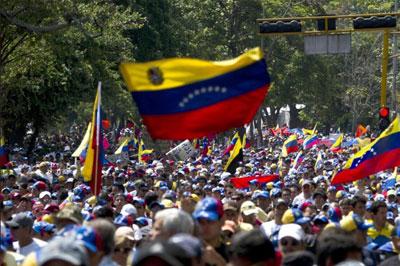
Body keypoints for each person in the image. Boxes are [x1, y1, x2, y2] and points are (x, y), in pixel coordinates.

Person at [192, 197, 228, 266]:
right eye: (201, 222)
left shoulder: (232, 254)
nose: (205, 226)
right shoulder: (188, 253)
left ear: (222, 220)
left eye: (210, 221)